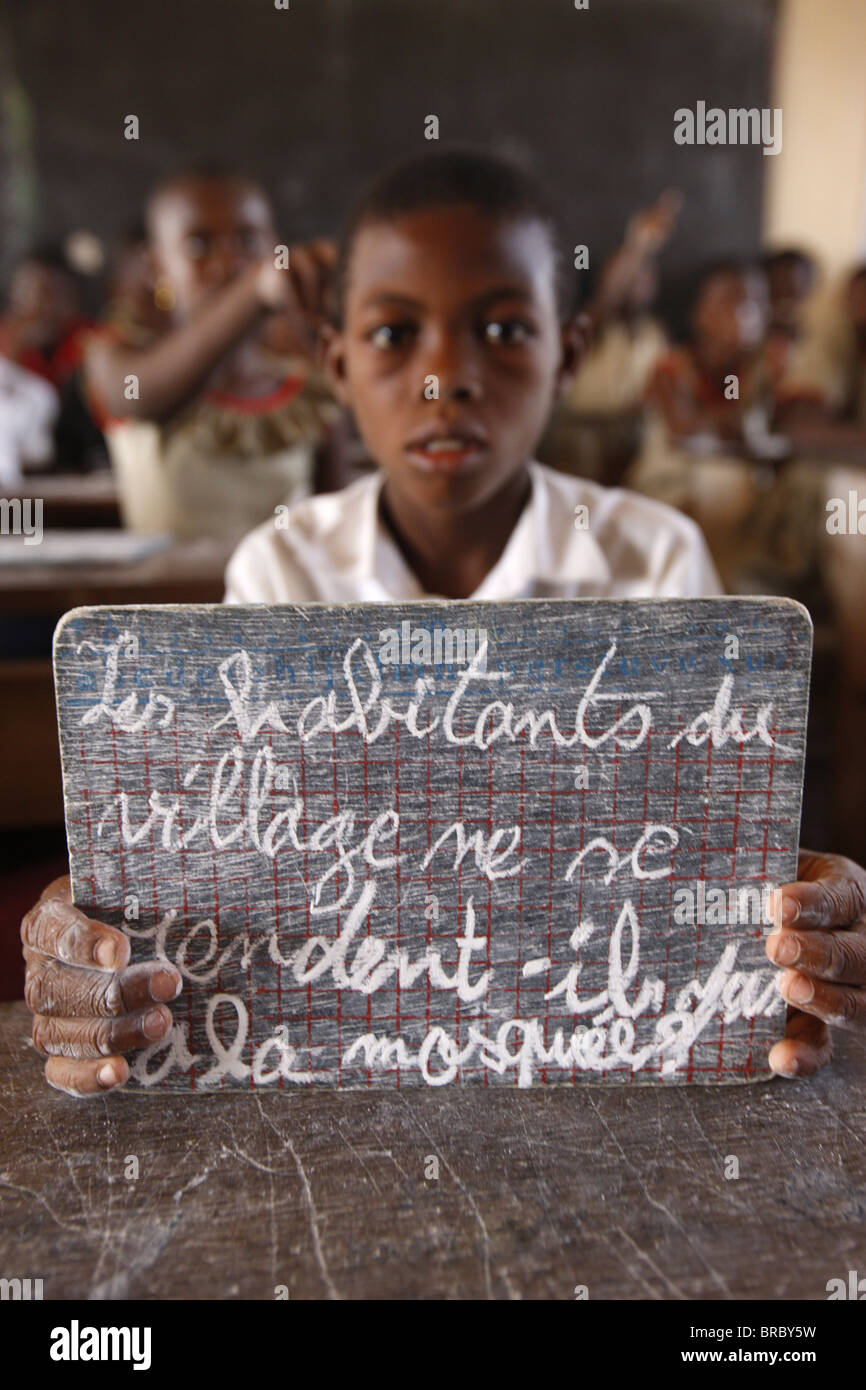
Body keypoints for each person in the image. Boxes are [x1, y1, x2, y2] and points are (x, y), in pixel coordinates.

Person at [21, 150, 866, 1096]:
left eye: (503, 328)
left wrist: (795, 928)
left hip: (599, 1097)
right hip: (336, 1102)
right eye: (394, 335)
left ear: (571, 356)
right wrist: (110, 928)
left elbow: (714, 861)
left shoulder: (656, 562)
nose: (446, 379)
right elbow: (216, 859)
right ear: (336, 366)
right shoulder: (278, 570)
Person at [84, 168, 341, 544]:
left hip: (285, 602)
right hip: (156, 602)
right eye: (199, 245)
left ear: (275, 248)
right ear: (157, 266)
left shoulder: (306, 377)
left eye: (248, 240)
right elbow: (140, 400)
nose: (228, 262)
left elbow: (336, 525)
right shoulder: (117, 356)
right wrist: (253, 290)